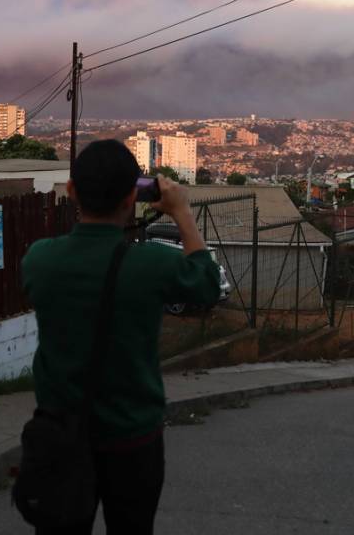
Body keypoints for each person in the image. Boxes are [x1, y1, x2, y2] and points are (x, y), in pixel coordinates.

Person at [22, 139, 222, 535]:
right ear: (134, 196)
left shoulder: (39, 259)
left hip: (60, 435)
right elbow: (207, 285)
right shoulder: (153, 264)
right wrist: (181, 212)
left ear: (71, 191)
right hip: (132, 437)